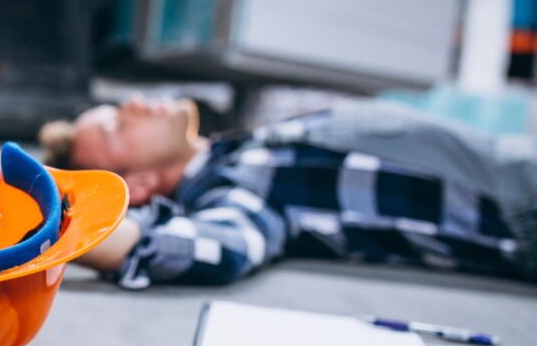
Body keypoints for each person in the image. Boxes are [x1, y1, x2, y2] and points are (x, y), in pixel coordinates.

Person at [39, 96, 537, 289]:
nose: (130, 104)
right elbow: (218, 248)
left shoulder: (241, 151)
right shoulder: (240, 186)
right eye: (115, 128)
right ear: (141, 184)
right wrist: (48, 225)